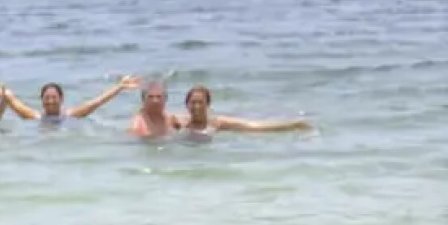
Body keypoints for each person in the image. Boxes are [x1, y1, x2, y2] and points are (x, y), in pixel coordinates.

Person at [1, 75, 140, 127]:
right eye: (47, 98)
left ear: (61, 99)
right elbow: (11, 100)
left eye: (54, 98)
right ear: (41, 101)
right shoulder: (35, 117)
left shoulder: (70, 115)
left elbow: (97, 102)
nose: (50, 101)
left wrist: (120, 87)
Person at [182, 85, 313, 133]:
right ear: (186, 105)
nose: (196, 107)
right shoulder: (181, 123)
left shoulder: (217, 123)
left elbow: (254, 127)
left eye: (200, 103)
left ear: (208, 105)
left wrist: (293, 124)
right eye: (193, 103)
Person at [126, 78, 194, 141]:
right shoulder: (137, 125)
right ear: (143, 99)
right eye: (150, 97)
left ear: (165, 99)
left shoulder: (172, 120)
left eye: (159, 97)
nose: (155, 101)